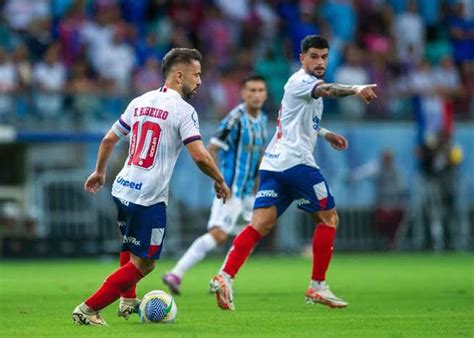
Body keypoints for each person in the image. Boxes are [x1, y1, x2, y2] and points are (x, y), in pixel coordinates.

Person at [210, 35, 377, 310]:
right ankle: (318, 286)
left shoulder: (302, 87)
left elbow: (291, 122)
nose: (320, 61)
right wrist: (356, 88)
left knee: (259, 224)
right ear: (302, 58)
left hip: (274, 164)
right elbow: (329, 90)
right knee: (329, 218)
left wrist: (324, 134)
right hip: (297, 163)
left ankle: (225, 276)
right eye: (313, 56)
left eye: (324, 56)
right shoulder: (302, 81)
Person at [72, 48, 230, 326]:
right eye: (197, 75)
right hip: (148, 196)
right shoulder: (184, 110)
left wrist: (99, 172)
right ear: (179, 75)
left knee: (130, 245)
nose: (200, 81)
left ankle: (127, 299)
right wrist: (218, 179)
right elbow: (200, 155)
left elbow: (109, 139)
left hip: (122, 187)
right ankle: (88, 309)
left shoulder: (140, 101)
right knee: (145, 263)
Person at [162, 75, 268, 295]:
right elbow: (211, 148)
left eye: (260, 90)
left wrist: (259, 184)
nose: (256, 95)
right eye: (252, 90)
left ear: (265, 94)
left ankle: (223, 278)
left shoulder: (263, 120)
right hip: (231, 189)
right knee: (219, 235)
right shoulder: (235, 119)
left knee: (253, 233)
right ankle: (176, 273)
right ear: (243, 93)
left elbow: (257, 158)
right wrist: (218, 180)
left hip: (249, 192)